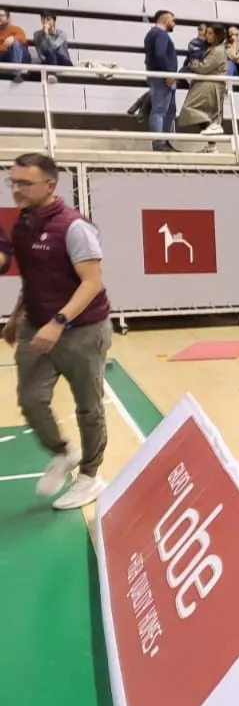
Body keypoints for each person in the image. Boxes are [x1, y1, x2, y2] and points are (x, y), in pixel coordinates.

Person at [3, 153, 113, 511]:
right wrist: (17, 315)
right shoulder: (23, 224)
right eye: (13, 182)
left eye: (24, 183)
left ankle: (90, 476)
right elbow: (34, 278)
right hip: (35, 327)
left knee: (88, 408)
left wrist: (58, 322)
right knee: (31, 400)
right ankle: (63, 453)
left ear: (50, 185)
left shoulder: (74, 226)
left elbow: (91, 284)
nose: (16, 189)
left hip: (81, 330)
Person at [179, 23, 227, 154]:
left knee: (189, 108)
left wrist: (193, 64)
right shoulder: (213, 48)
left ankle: (213, 126)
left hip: (209, 84)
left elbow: (203, 68)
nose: (207, 36)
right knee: (203, 113)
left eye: (210, 33)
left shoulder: (218, 50)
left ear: (217, 35)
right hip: (207, 84)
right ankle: (212, 146)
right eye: (207, 33)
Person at [144, 10, 178, 152]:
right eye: (173, 20)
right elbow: (159, 54)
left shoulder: (152, 34)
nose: (174, 23)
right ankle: (159, 142)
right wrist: (168, 74)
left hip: (159, 76)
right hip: (162, 78)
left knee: (168, 110)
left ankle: (164, 140)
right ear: (165, 19)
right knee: (160, 110)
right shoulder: (160, 34)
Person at [0, 8, 28, 82]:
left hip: (21, 57)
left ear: (8, 18)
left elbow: (23, 39)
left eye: (1, 15)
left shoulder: (16, 29)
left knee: (16, 43)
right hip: (4, 56)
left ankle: (16, 74)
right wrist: (5, 46)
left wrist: (13, 38)